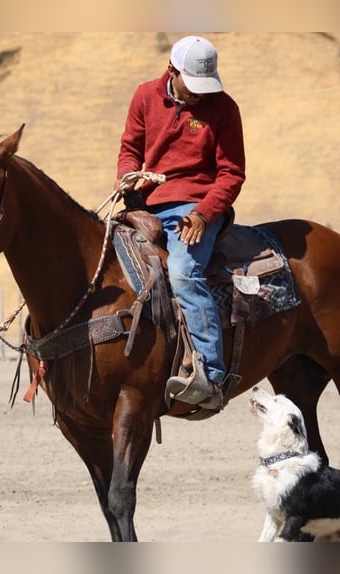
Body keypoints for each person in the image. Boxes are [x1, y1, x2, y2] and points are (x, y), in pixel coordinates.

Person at [116, 35, 246, 409]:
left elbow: (231, 174)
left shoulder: (224, 109)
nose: (200, 96)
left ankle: (211, 373)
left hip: (197, 207)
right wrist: (128, 178)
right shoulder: (144, 96)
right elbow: (130, 150)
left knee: (185, 272)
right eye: (194, 87)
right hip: (143, 204)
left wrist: (203, 215)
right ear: (172, 71)